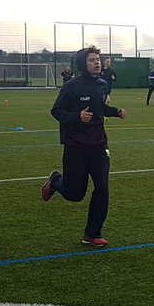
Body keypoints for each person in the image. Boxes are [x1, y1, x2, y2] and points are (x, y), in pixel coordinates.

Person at [41, 46, 127, 247]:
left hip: (99, 146)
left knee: (102, 188)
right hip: (76, 147)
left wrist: (115, 112)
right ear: (83, 64)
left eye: (98, 59)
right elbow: (56, 111)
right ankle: (55, 182)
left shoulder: (103, 85)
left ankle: (92, 234)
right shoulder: (71, 86)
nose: (97, 62)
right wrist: (76, 117)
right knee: (75, 194)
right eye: (92, 60)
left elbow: (101, 108)